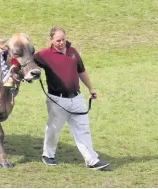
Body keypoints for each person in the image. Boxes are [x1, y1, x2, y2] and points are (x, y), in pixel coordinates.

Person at [33, 27, 110, 170]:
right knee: (54, 129)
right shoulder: (44, 55)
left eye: (63, 39)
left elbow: (81, 71)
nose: (61, 42)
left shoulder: (73, 52)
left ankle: (91, 160)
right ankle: (48, 155)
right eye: (58, 40)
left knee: (83, 129)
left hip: (77, 98)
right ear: (51, 40)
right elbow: (28, 64)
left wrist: (91, 88)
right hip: (57, 100)